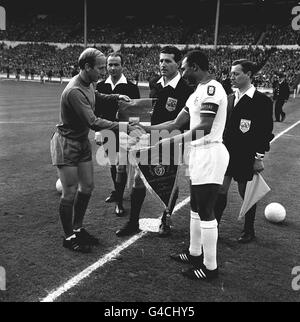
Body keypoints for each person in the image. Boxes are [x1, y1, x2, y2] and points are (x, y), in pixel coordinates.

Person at [139, 50, 229, 281]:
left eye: (185, 67)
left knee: (206, 211)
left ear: (196, 67)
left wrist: (173, 140)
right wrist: (147, 129)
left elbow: (205, 127)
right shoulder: (196, 93)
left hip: (210, 151)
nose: (183, 71)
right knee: (196, 208)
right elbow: (176, 122)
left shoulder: (212, 89)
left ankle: (210, 268)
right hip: (198, 153)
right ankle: (194, 253)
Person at [50, 48, 135, 253]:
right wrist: (123, 127)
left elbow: (96, 96)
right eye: (100, 68)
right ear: (87, 67)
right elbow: (93, 122)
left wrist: (116, 97)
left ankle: (78, 228)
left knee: (87, 187)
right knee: (69, 192)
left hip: (81, 142)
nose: (103, 71)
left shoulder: (88, 84)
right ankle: (69, 236)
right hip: (67, 144)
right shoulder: (74, 91)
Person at [116, 45, 193, 237]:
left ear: (177, 63)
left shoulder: (186, 89)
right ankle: (133, 222)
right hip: (150, 137)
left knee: (170, 181)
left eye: (168, 61)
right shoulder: (154, 83)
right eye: (161, 60)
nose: (163, 64)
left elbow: (182, 121)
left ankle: (166, 219)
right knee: (138, 178)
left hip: (173, 139)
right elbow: (150, 111)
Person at [214, 59, 274, 244]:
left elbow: (265, 132)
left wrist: (258, 157)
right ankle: (214, 226)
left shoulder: (262, 101)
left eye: (236, 73)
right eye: (231, 74)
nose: (231, 77)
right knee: (220, 190)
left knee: (245, 193)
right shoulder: (229, 98)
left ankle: (249, 230)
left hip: (246, 155)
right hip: (226, 153)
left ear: (248, 74)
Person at [95, 52, 140, 217]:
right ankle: (116, 191)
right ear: (106, 66)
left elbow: (135, 112)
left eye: (116, 65)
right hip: (107, 130)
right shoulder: (100, 86)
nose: (112, 68)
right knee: (113, 164)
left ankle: (119, 202)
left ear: (123, 66)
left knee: (121, 166)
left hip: (123, 131)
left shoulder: (131, 87)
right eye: (109, 65)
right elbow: (96, 111)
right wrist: (98, 131)